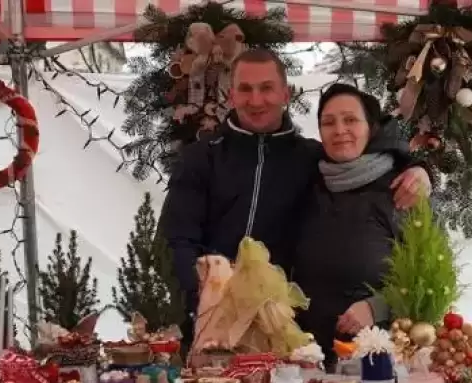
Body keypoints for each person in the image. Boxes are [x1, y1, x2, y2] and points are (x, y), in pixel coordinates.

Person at [160, 49, 430, 330]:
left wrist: (419, 168)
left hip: (282, 324)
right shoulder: (201, 158)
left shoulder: (311, 158)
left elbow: (366, 154)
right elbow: (176, 240)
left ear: (286, 94)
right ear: (231, 96)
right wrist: (206, 299)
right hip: (210, 318)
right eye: (245, 89)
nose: (255, 100)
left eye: (266, 88)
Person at [291, 84, 411, 363]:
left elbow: (431, 281)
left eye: (351, 120)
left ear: (371, 128)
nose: (339, 130)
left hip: (378, 361)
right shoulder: (309, 185)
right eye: (328, 122)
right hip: (310, 359)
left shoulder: (402, 190)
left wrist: (377, 307)